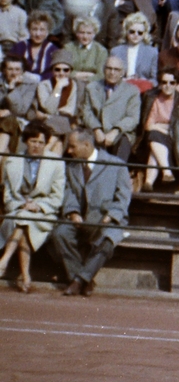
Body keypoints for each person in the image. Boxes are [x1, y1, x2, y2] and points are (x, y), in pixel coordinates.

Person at [50, 127, 132, 296]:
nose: (69, 150)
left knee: (108, 239)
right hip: (80, 219)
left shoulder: (116, 164)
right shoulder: (72, 167)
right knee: (60, 234)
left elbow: (123, 198)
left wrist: (110, 216)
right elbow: (69, 192)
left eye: (72, 146)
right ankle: (83, 278)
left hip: (106, 219)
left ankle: (78, 281)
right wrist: (73, 212)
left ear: (86, 144)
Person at [0, 123, 64, 292]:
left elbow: (57, 197)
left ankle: (4, 261)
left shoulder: (56, 163)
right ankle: (25, 275)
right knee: (23, 218)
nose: (37, 146)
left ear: (46, 143)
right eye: (33, 141)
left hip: (43, 214)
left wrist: (38, 205)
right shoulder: (12, 161)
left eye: (41, 142)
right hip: (17, 210)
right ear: (26, 142)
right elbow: (8, 197)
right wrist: (22, 204)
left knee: (24, 219)